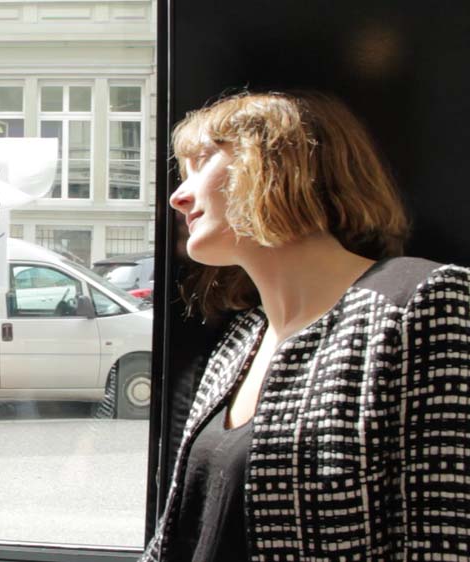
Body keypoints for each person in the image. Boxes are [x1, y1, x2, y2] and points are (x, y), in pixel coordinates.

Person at [141, 91, 470, 561]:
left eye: (202, 162)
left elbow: (445, 536)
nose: (178, 197)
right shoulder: (240, 342)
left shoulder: (420, 301)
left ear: (275, 164)